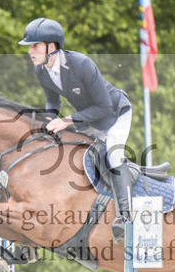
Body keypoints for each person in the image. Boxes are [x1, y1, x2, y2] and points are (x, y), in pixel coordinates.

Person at [18, 17, 135, 242]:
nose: (30, 51)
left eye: (34, 46)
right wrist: (48, 123)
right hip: (90, 119)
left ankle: (125, 215)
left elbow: (104, 107)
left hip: (115, 113)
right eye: (30, 47)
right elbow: (53, 102)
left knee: (114, 154)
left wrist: (67, 120)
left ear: (51, 47)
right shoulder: (41, 70)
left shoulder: (81, 64)